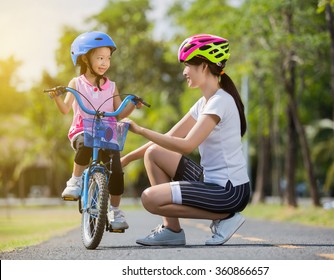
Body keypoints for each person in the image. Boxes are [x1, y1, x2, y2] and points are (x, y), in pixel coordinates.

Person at [121, 34, 251, 246]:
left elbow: (187, 145)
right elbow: (169, 137)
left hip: (229, 191)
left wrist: (141, 130)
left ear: (205, 66)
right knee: (153, 153)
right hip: (211, 181)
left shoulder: (220, 102)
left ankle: (225, 217)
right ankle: (172, 230)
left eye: (188, 65)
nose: (184, 71)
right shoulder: (204, 103)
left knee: (150, 198)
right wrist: (126, 159)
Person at [49, 31, 140, 230]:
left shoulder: (112, 86)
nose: (104, 63)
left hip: (107, 134)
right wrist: (57, 96)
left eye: (107, 58)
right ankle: (74, 181)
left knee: (116, 171)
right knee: (85, 143)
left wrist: (133, 104)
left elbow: (118, 114)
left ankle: (115, 211)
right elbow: (65, 109)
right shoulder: (76, 83)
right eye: (99, 58)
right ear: (85, 58)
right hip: (83, 130)